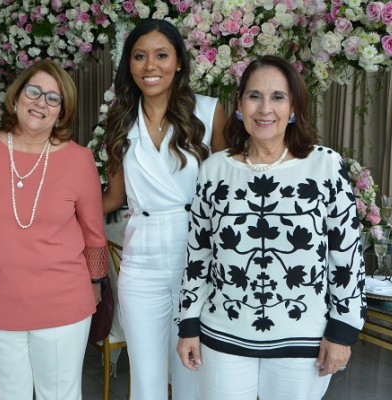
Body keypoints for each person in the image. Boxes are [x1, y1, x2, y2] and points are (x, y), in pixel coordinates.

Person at [177, 55, 366, 400]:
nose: (265, 109)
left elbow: (347, 256)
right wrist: (188, 324)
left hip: (303, 339)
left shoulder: (324, 165)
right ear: (239, 105)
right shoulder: (214, 170)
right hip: (223, 336)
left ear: (293, 107)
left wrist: (343, 331)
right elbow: (198, 254)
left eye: (277, 97)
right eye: (254, 96)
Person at [0, 59, 107, 400]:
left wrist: (96, 284)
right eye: (34, 91)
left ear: (62, 112)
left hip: (62, 301)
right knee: (10, 394)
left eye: (53, 98)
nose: (41, 102)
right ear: (16, 98)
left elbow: (94, 234)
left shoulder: (78, 159)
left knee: (58, 395)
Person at [102, 19, 227, 400]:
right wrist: (56, 210)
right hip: (141, 262)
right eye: (140, 57)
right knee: (146, 375)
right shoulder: (121, 120)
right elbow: (114, 198)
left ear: (178, 63)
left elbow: (226, 193)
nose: (150, 66)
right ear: (130, 66)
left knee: (192, 369)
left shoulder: (209, 111)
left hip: (198, 258)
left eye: (161, 55)